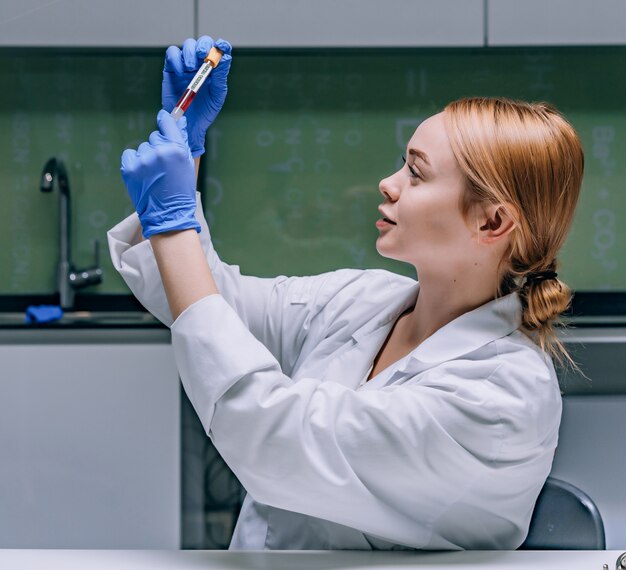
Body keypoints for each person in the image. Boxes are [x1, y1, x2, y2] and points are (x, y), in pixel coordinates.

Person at [108, 36, 584, 550]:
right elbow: (208, 304)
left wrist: (175, 224)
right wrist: (191, 153)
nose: (388, 182)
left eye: (417, 174)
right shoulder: (364, 301)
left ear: (492, 221)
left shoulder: (501, 396)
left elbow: (272, 436)